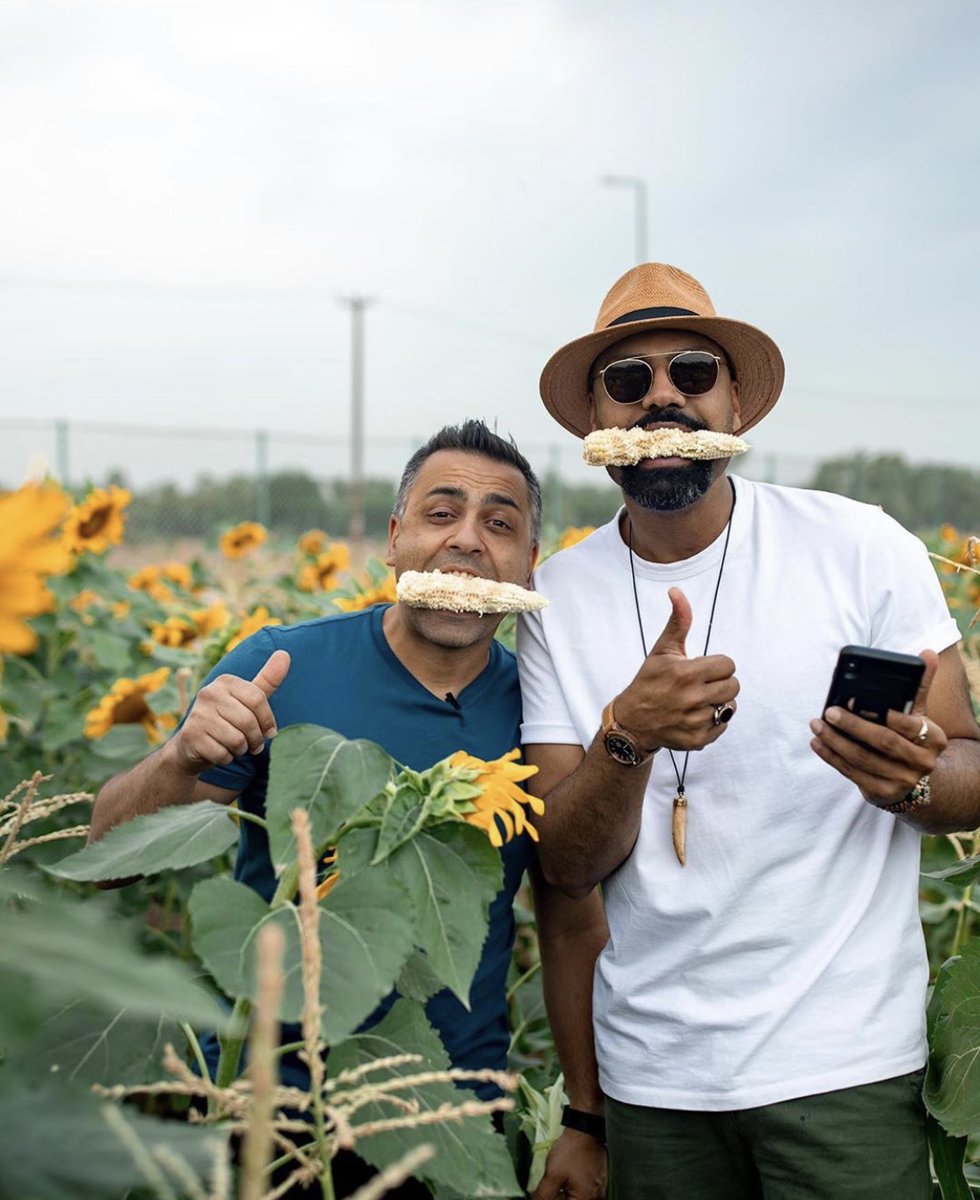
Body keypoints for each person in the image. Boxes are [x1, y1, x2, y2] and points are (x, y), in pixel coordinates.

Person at [516, 263, 980, 1200]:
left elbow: (968, 764)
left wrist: (912, 782)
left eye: (692, 372)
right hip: (656, 1082)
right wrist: (628, 738)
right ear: (599, 425)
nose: (662, 398)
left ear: (735, 407)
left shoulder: (860, 546)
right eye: (627, 380)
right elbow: (562, 865)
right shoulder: (557, 599)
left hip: (844, 1066)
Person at [89, 420, 608, 1200]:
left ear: (529, 564)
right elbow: (105, 860)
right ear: (395, 539)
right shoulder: (283, 666)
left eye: (500, 524)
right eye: (441, 513)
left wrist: (585, 1118)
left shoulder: (542, 707)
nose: (467, 540)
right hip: (271, 1107)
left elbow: (570, 914)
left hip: (449, 1113)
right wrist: (178, 756)